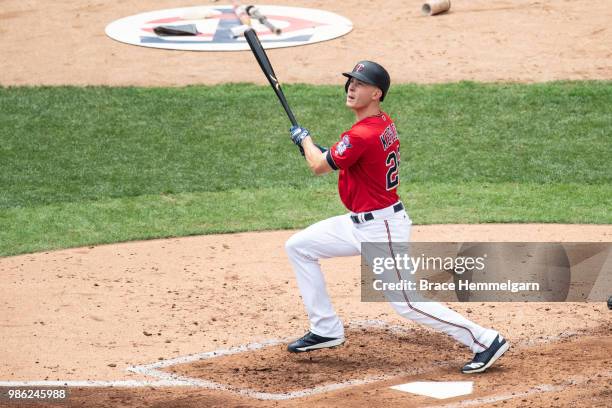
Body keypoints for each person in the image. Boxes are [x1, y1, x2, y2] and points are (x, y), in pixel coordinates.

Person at [284, 61, 509, 374]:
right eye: (350, 81)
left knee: (406, 302)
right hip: (358, 222)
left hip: (380, 229)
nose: (351, 87)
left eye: (360, 84)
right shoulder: (380, 123)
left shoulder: (362, 133)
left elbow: (318, 166)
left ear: (377, 93)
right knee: (300, 246)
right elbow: (343, 159)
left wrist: (304, 140)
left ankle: (485, 340)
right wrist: (316, 150)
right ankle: (326, 329)